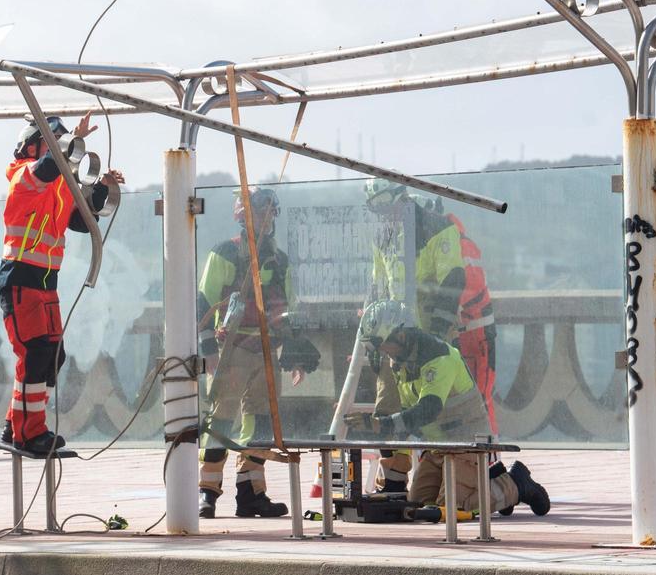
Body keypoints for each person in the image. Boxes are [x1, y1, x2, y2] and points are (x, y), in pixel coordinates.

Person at [345, 300, 549, 515]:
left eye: (381, 343)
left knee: (447, 510)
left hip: (465, 445)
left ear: (401, 335)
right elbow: (407, 412)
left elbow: (428, 409)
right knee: (419, 506)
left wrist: (380, 425)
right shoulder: (400, 361)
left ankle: (516, 484)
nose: (382, 351)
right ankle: (490, 485)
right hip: (438, 446)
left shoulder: (438, 357)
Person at [0, 113, 123, 455]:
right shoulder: (24, 176)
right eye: (52, 143)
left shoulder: (56, 188)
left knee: (52, 355)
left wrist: (103, 187)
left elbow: (83, 219)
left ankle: (17, 423)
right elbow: (49, 167)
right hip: (20, 278)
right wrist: (73, 141)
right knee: (35, 352)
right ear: (35, 146)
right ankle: (29, 432)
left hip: (44, 282)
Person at [364, 179, 497, 493]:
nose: (384, 216)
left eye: (386, 208)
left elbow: (451, 282)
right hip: (391, 339)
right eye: (377, 210)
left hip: (426, 339)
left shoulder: (436, 229)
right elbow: (377, 287)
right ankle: (394, 480)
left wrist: (435, 337)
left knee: (439, 408)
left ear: (401, 199)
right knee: (387, 406)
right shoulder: (383, 236)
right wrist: (371, 338)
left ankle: (472, 474)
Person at [196, 187, 321, 519]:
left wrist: (294, 356)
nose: (265, 220)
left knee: (261, 424)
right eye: (257, 213)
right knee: (220, 420)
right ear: (243, 216)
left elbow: (288, 311)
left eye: (269, 213)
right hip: (232, 348)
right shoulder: (225, 253)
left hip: (266, 348)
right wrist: (208, 349)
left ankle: (251, 494)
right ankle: (207, 493)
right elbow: (203, 303)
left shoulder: (280, 262)